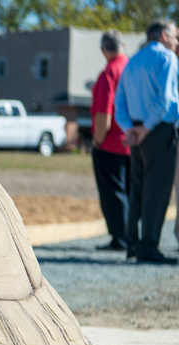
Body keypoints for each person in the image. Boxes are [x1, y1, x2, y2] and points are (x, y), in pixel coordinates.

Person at [114, 18, 179, 264]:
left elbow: (119, 103)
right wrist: (147, 128)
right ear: (163, 35)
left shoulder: (132, 61)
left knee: (138, 188)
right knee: (157, 190)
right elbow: (164, 99)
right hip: (158, 130)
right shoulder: (167, 58)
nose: (176, 41)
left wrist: (131, 129)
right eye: (174, 36)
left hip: (137, 132)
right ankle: (149, 246)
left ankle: (132, 243)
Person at [90, 30, 130, 251]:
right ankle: (131, 234)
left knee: (113, 193)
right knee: (130, 191)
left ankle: (120, 237)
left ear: (103, 49)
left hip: (111, 143)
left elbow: (104, 114)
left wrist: (97, 141)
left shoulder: (109, 73)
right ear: (122, 44)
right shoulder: (131, 69)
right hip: (133, 142)